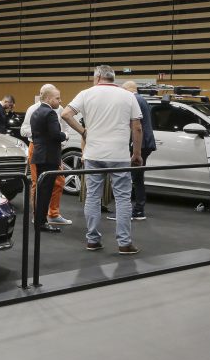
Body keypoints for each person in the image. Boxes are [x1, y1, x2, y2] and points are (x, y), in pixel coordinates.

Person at [61, 65, 142, 255]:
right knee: (122, 199)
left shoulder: (86, 94)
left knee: (93, 197)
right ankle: (124, 243)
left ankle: (93, 240)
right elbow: (137, 127)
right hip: (119, 155)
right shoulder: (128, 96)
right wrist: (136, 154)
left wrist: (83, 132)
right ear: (113, 78)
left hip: (94, 154)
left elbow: (66, 114)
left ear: (98, 77)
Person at [21, 84, 71, 227]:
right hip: (42, 151)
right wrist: (62, 136)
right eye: (57, 98)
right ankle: (38, 217)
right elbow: (26, 130)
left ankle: (50, 214)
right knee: (40, 185)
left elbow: (60, 128)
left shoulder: (50, 110)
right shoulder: (40, 110)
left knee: (56, 182)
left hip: (46, 151)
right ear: (47, 97)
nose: (60, 101)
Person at [122, 81, 156, 221]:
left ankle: (137, 210)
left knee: (135, 177)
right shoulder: (142, 99)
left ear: (127, 90)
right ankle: (137, 208)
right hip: (146, 142)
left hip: (140, 144)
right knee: (137, 177)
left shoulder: (133, 99)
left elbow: (136, 126)